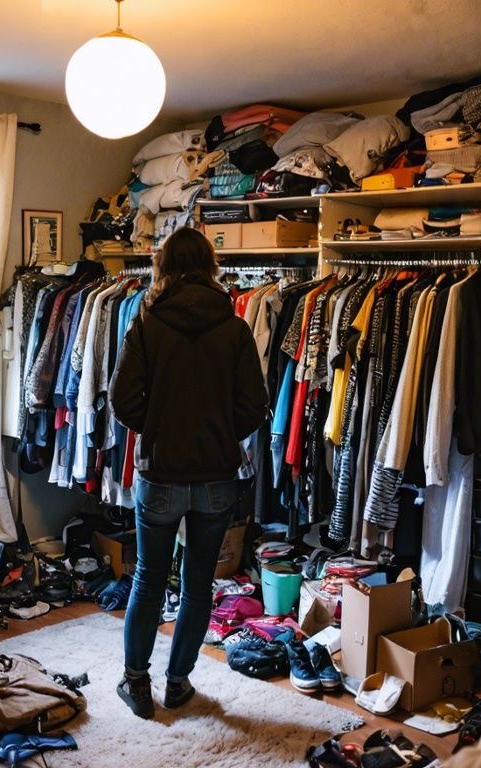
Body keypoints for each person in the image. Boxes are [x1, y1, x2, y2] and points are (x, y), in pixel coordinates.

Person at [110, 227, 266, 718]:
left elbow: (120, 399)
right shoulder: (235, 326)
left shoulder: (148, 323)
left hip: (161, 473)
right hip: (216, 475)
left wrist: (155, 428)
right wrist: (222, 434)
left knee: (148, 580)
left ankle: (137, 684)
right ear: (210, 265)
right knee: (199, 585)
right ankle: (177, 684)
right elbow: (255, 406)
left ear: (164, 267)